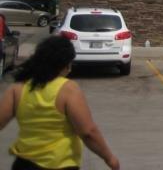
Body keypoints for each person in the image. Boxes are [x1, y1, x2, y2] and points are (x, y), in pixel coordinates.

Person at [0, 36, 120, 170]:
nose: (70, 69)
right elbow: (88, 132)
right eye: (69, 64)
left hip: (23, 165)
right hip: (59, 165)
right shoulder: (68, 89)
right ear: (64, 64)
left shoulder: (17, 89)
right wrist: (109, 158)